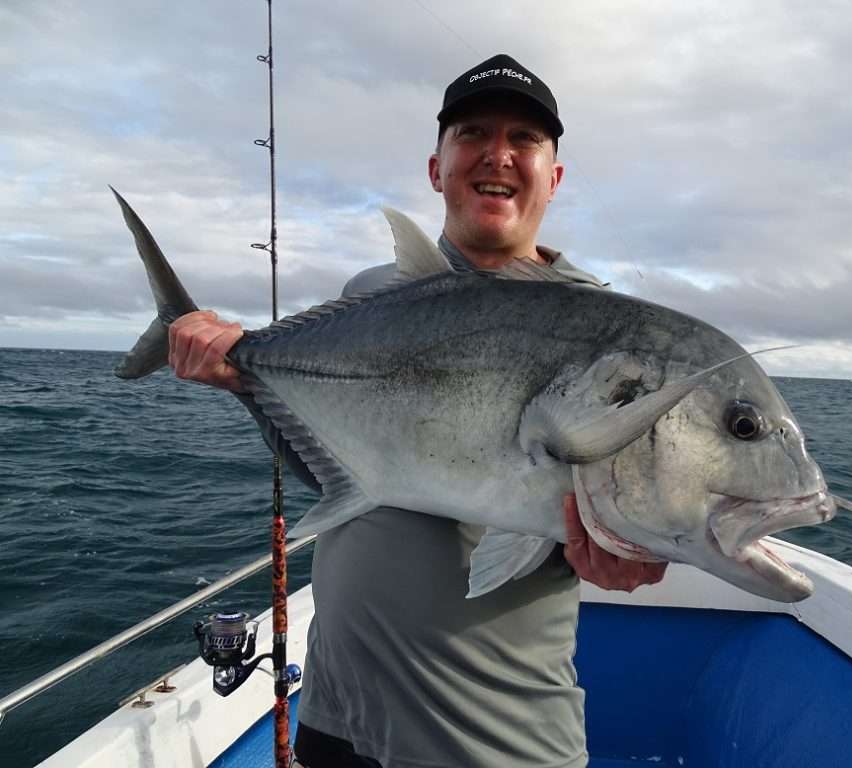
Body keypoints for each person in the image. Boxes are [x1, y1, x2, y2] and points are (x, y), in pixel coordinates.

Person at [168, 54, 667, 768]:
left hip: (487, 739)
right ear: (437, 167)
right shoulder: (372, 292)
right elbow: (330, 470)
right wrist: (242, 381)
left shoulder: (607, 336)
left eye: (524, 139)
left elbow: (627, 495)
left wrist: (626, 551)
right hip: (337, 709)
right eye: (473, 132)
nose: (498, 154)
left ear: (553, 178)